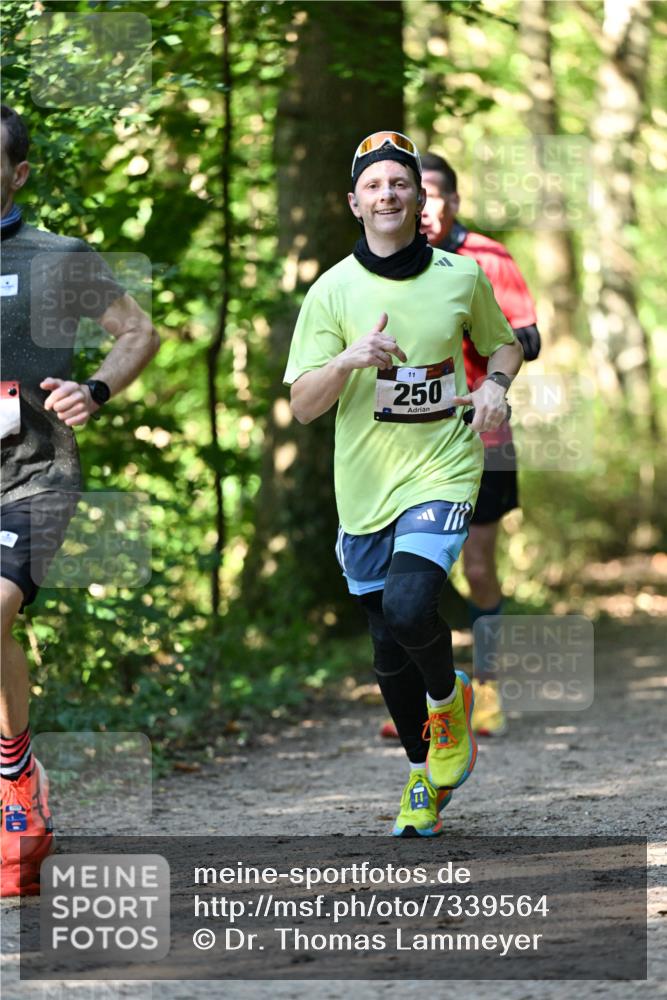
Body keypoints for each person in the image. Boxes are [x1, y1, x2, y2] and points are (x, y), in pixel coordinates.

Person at [284, 131, 523, 837]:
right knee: (386, 642)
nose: (387, 194)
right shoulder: (331, 290)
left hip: (444, 463)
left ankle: (449, 705)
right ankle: (421, 776)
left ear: (419, 198)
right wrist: (350, 360)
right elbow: (301, 404)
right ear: (353, 201)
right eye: (373, 185)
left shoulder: (459, 275)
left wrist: (497, 388)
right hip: (364, 482)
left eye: (399, 183)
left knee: (411, 598)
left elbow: (502, 342)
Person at [0, 104, 159, 896]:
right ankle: (16, 775)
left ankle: (13, 779)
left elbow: (138, 331)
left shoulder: (58, 257)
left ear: (18, 173)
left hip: (33, 471)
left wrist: (95, 389)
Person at [381, 152, 541, 740]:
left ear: (448, 201)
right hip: (404, 439)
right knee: (410, 572)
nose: (426, 205)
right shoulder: (383, 265)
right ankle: (432, 695)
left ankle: (490, 689)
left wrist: (480, 335)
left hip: (482, 429)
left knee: (476, 562)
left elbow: (527, 337)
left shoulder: (484, 260)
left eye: (436, 193)